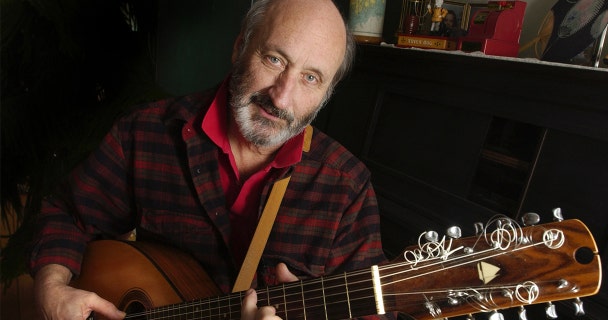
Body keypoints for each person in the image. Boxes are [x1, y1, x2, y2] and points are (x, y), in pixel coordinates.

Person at [29, 0, 390, 319]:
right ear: (239, 48)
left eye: (311, 78)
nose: (281, 98)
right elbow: (68, 213)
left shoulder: (347, 188)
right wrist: (52, 287)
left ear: (327, 94)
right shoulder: (145, 132)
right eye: (274, 59)